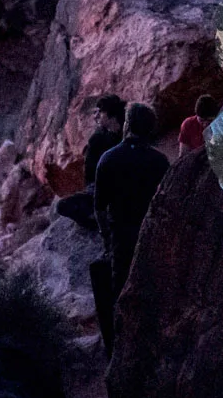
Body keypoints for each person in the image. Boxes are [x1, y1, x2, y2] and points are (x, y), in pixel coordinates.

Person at [91, 102, 170, 342]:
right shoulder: (160, 161)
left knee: (122, 293)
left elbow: (99, 207)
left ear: (126, 125)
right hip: (150, 234)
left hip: (121, 236)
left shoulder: (108, 158)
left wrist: (106, 240)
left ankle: (124, 346)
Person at [56, 96, 127, 232]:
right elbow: (90, 174)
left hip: (121, 189)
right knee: (63, 206)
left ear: (110, 113)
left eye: (99, 112)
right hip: (100, 190)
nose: (96, 116)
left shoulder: (125, 136)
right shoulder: (98, 138)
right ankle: (98, 225)